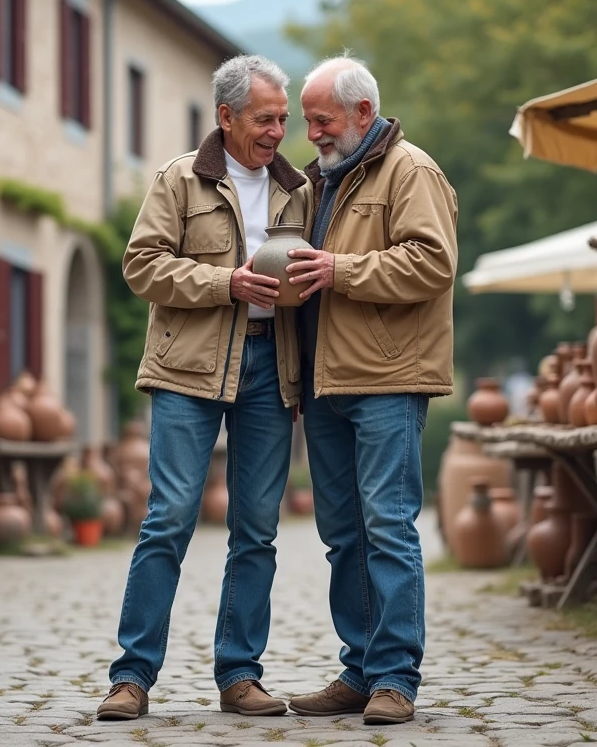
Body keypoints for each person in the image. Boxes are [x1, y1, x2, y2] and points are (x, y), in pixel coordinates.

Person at [97, 55, 312, 721]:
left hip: (269, 366)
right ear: (226, 116)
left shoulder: (299, 189)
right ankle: (132, 677)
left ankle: (240, 675)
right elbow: (142, 266)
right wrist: (227, 283)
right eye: (265, 119)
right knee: (168, 519)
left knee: (257, 530)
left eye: (283, 119)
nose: (278, 131)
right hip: (187, 369)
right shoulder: (179, 178)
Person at [285, 55, 458, 725]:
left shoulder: (412, 170)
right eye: (307, 122)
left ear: (363, 112)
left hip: (389, 379)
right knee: (342, 534)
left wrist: (341, 269)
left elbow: (433, 263)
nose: (312, 134)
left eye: (321, 120)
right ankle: (359, 669)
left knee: (387, 526)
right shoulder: (320, 181)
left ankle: (394, 677)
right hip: (326, 383)